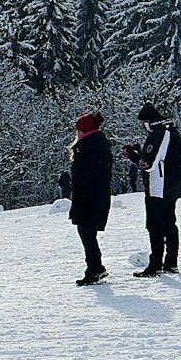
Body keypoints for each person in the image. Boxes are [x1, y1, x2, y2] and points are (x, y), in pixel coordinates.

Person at [126, 102, 181, 276]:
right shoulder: (170, 132)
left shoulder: (159, 134)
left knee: (155, 225)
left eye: (141, 123)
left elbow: (148, 164)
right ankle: (171, 263)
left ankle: (156, 266)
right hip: (172, 186)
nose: (141, 126)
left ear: (148, 121)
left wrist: (132, 155)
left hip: (159, 188)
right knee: (169, 224)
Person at [68, 113, 113, 285]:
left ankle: (95, 269)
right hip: (98, 196)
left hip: (89, 198)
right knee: (87, 232)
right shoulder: (98, 146)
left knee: (86, 232)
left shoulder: (86, 149)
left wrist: (78, 203)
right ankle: (95, 268)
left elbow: (82, 178)